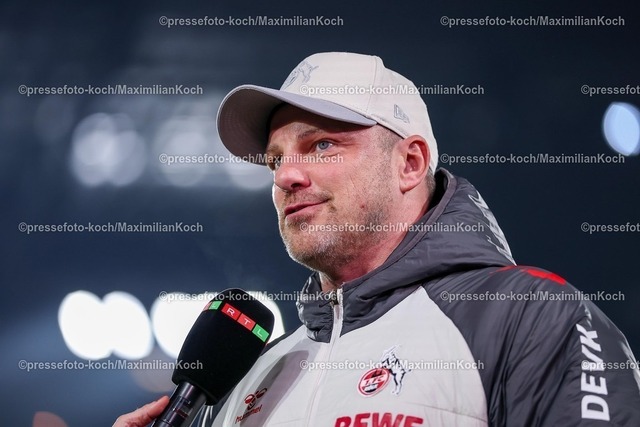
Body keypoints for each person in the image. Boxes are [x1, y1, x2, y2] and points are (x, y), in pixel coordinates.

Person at [114, 52, 640, 426]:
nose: (286, 176)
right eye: (275, 160)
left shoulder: (532, 318)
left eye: (322, 145)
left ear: (409, 163)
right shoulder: (255, 374)